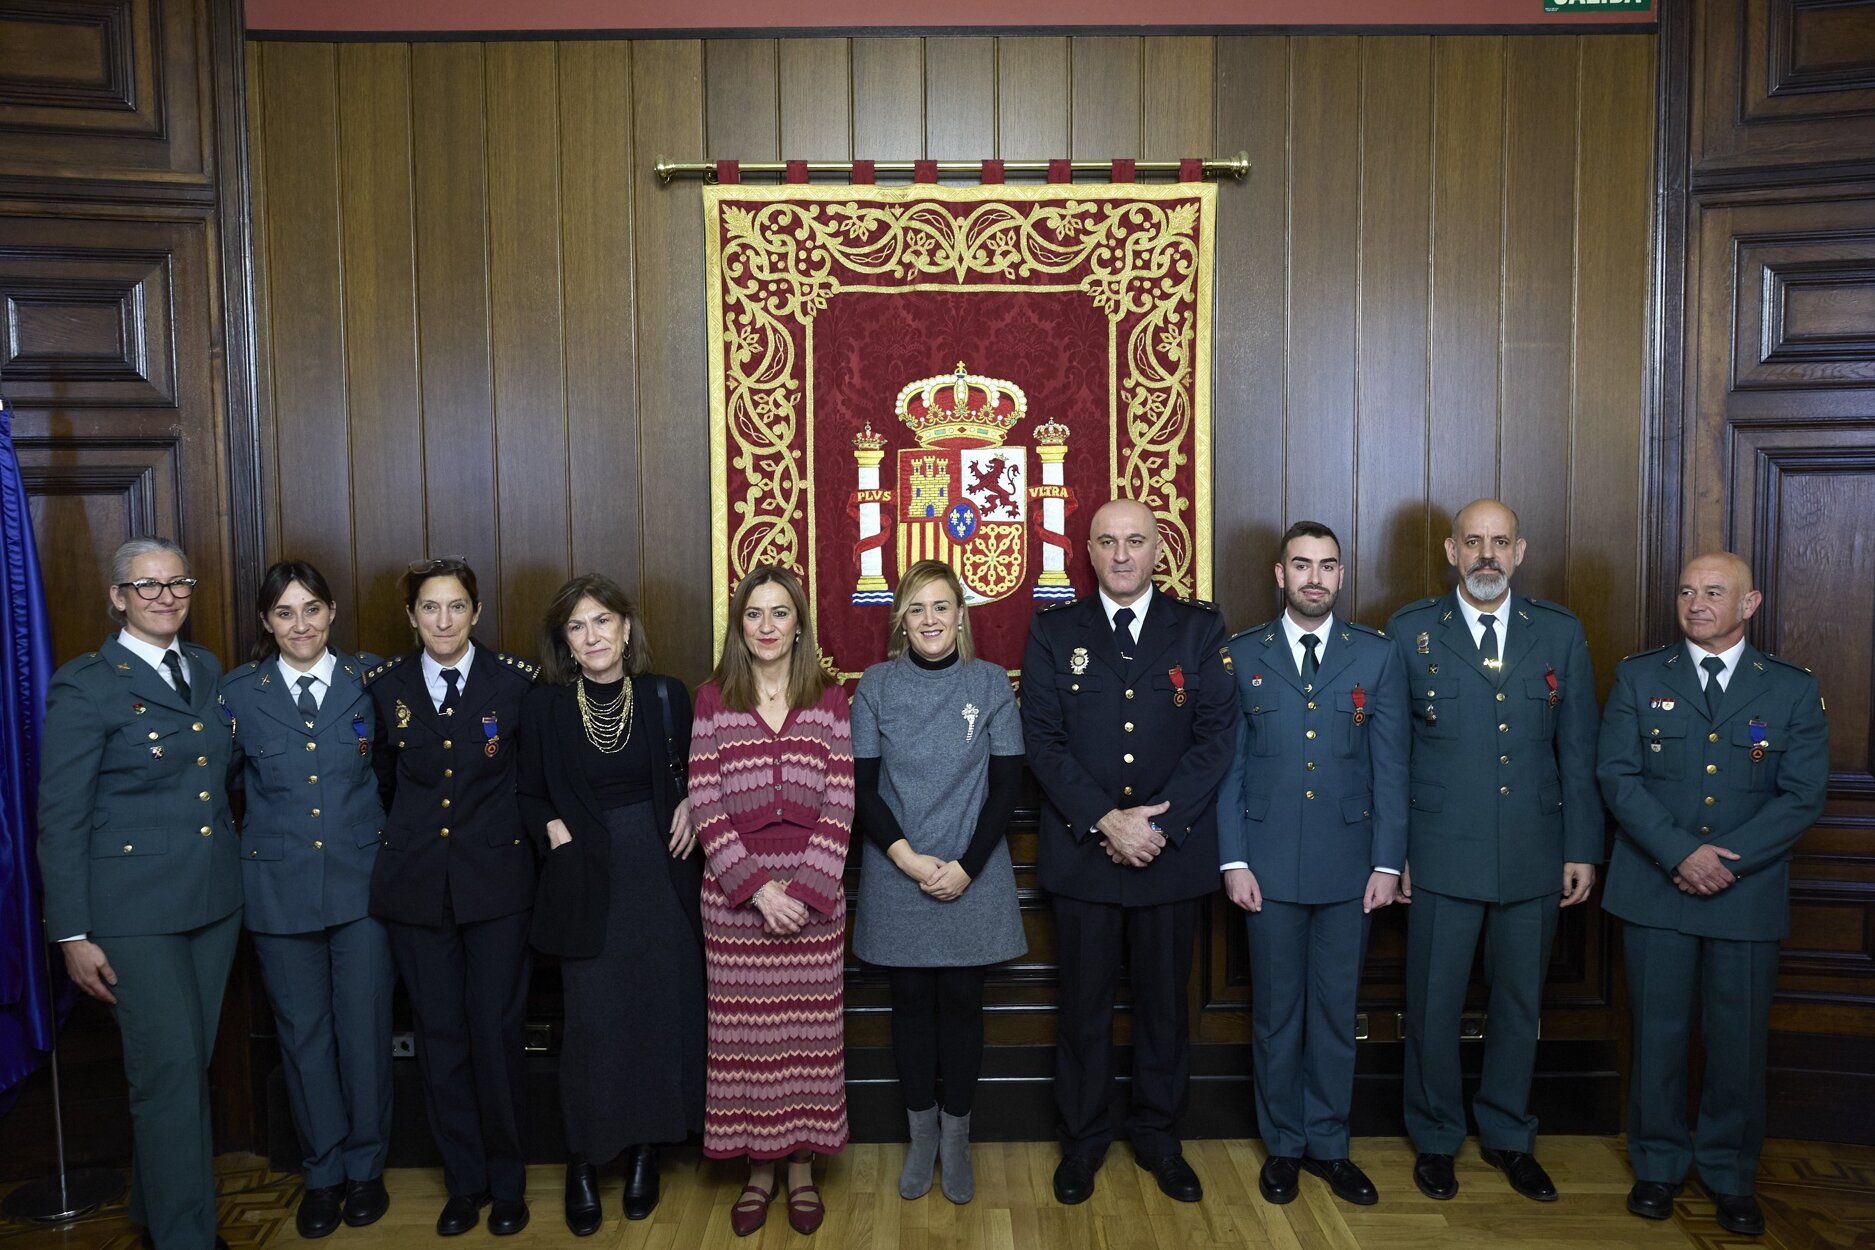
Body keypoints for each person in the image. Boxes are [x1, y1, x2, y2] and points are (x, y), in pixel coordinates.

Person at [1597, 552, 1827, 1237]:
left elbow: (1803, 795)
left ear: (1749, 604)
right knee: (1657, 1038)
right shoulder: (1639, 677)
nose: (1695, 602)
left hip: (1743, 893)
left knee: (1737, 1043)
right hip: (1655, 888)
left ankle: (1729, 1175)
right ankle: (1657, 1166)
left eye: (1713, 591)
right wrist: (1679, 853)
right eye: (1686, 591)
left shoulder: (1788, 689)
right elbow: (1616, 776)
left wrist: (1724, 861)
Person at [1019, 498, 1236, 1206]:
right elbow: (1043, 742)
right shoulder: (1055, 631)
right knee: (1081, 1008)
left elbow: (1214, 740)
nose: (1121, 555)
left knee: (1164, 1009)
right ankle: (1081, 1144)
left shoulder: (1197, 629)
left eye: (1135, 541)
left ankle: (1157, 1138)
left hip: (1169, 856)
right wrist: (1107, 822)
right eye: (1108, 542)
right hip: (1085, 855)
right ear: (1087, 549)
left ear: (1156, 549)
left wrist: (1156, 829)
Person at [1386, 499, 1602, 1204]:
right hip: (1440, 850)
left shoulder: (1558, 633)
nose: (1486, 554)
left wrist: (1580, 847)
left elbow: (1577, 749)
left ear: (1520, 551)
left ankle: (1509, 1134)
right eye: (1473, 542)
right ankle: (1436, 1136)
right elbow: (1391, 754)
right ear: (1450, 552)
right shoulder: (1412, 631)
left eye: (1499, 542)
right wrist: (1397, 853)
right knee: (1433, 1005)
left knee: (1518, 1003)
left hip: (1534, 852)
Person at [38, 537, 241, 1250]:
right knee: (168, 1074)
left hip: (213, 902)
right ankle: (188, 1238)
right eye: (147, 586)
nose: (166, 596)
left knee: (185, 1070)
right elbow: (58, 817)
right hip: (132, 915)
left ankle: (157, 1217)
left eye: (177, 583)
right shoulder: (87, 684)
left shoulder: (206, 667)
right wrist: (70, 933)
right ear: (118, 597)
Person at [1218, 522, 1407, 1207]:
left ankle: (1329, 1145)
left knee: (1334, 1013)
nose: (1314, 578)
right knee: (1274, 1015)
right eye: (1301, 565)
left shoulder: (1374, 657)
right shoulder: (1242, 655)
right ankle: (1283, 1147)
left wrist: (1388, 861)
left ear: (1341, 575)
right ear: (1279, 574)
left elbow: (1391, 768)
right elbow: (1228, 772)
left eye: (1327, 566)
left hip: (1349, 868)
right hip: (1263, 867)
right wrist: (1232, 859)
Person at [518, 574, 705, 1234]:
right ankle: (584, 1158)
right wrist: (553, 831)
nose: (592, 636)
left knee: (658, 1012)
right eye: (577, 626)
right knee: (594, 1025)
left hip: (662, 873)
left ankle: (646, 1151)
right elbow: (530, 794)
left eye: (603, 621)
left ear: (626, 627)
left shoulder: (663, 696)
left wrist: (690, 802)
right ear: (563, 641)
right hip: (584, 878)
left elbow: (698, 771)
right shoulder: (544, 708)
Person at [365, 557, 538, 1237]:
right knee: (440, 1039)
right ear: (411, 617)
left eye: (457, 606)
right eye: (430, 608)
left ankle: (508, 1181)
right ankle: (464, 1184)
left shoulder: (515, 684)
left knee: (496, 1036)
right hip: (417, 893)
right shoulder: (385, 687)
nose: (443, 620)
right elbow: (379, 783)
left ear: (477, 612)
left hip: (496, 889)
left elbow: (529, 781)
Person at [219, 561, 393, 1237]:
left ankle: (365, 1169)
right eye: (285, 612)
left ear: (334, 612)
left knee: (365, 1033)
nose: (301, 625)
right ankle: (321, 1172)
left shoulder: (369, 681)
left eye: (312, 609)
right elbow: (215, 785)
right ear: (266, 621)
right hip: (279, 890)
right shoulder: (237, 694)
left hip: (361, 887)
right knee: (304, 1037)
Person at [851, 559, 1026, 1205]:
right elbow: (863, 790)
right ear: (902, 618)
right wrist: (907, 859)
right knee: (910, 1012)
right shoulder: (875, 685)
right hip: (900, 874)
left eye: (940, 606)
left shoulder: (989, 683)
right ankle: (920, 1137)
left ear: (960, 615)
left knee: (961, 1009)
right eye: (917, 608)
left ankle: (956, 1138)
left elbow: (1007, 786)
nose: (929, 619)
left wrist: (965, 866)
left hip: (971, 875)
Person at [688, 564, 853, 1237]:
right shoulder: (711, 699)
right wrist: (757, 891)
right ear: (739, 625)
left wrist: (804, 893)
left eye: (778, 613)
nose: (765, 626)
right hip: (734, 902)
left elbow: (841, 803)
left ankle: (804, 1165)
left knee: (808, 1043)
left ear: (798, 624)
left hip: (814, 899)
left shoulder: (832, 699)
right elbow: (705, 803)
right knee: (749, 1046)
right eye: (753, 614)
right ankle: (759, 1168)